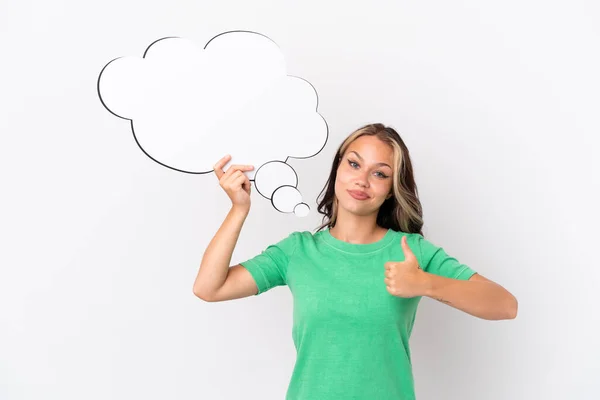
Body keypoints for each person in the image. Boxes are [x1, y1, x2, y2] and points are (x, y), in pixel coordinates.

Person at [193, 123, 518, 400]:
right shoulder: (297, 252)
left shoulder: (412, 252)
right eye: (353, 164)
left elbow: (505, 305)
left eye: (379, 173)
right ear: (337, 169)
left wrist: (426, 283)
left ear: (392, 189)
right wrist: (239, 209)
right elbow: (209, 287)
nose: (362, 180)